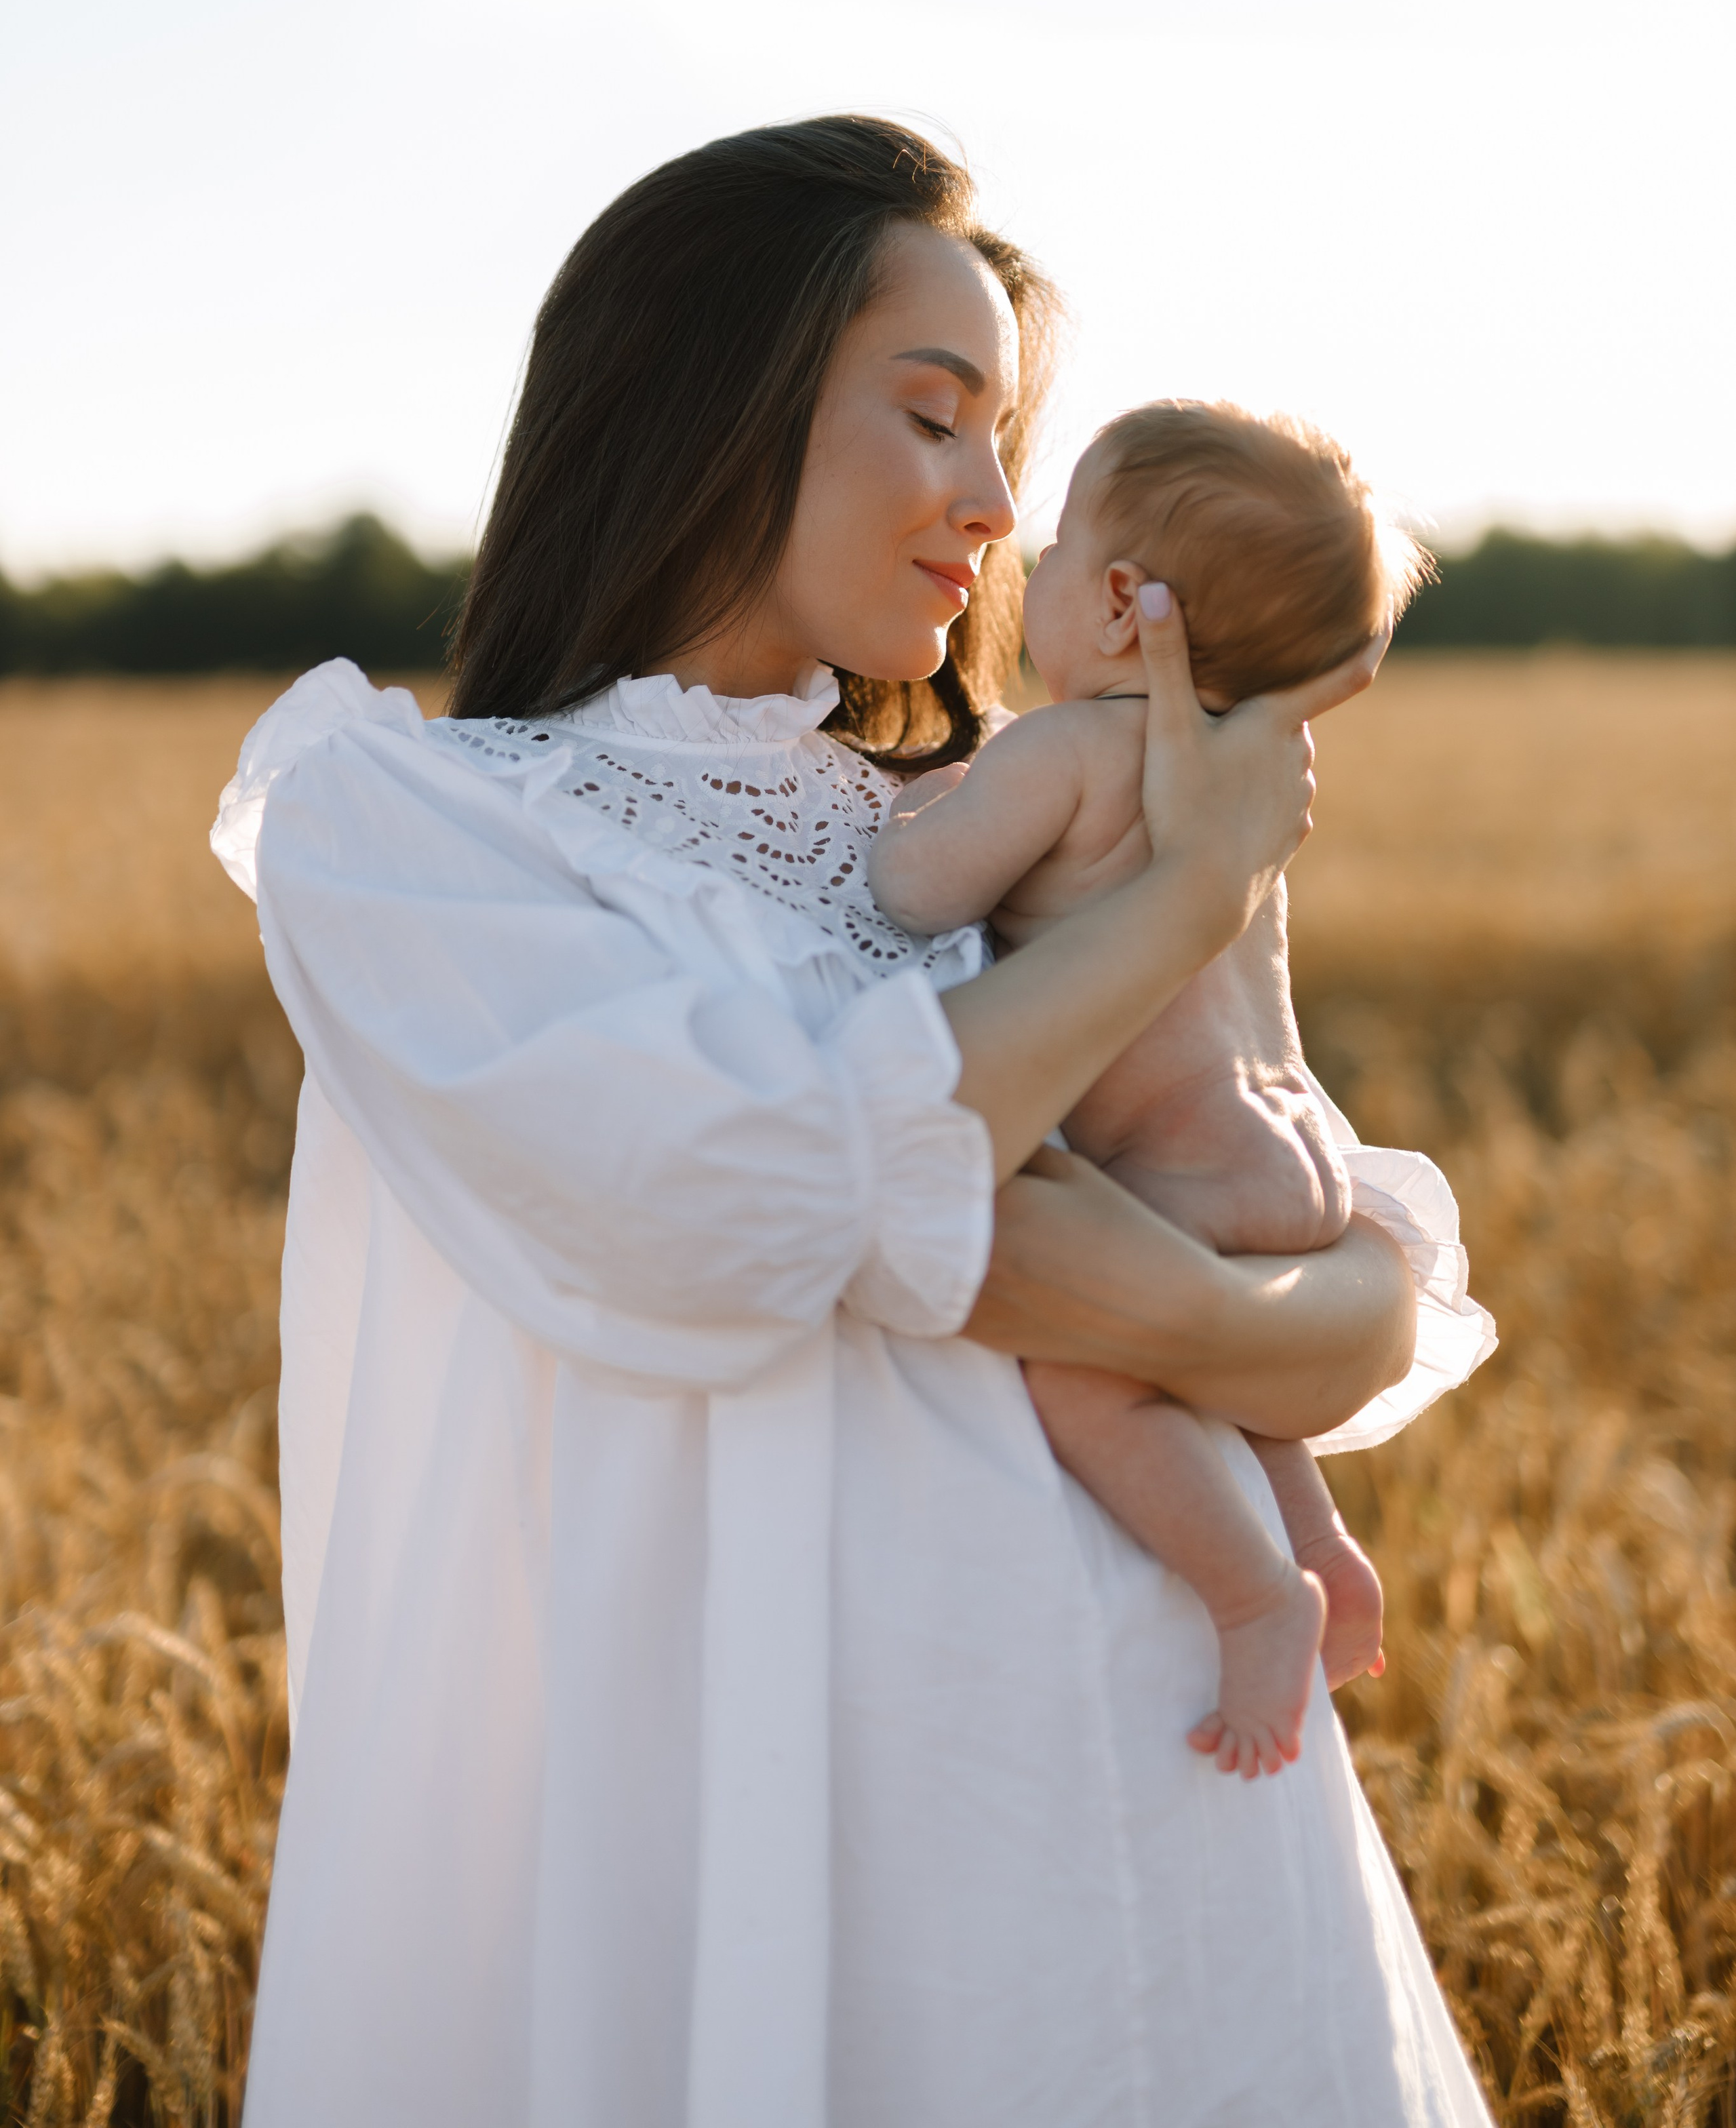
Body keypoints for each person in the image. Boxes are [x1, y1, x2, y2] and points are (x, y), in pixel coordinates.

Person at [214, 117, 1497, 2126]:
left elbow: (1344, 1289)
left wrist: (1166, 1288)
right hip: (756, 1866)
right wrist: (1178, 905)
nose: (998, 502)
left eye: (1011, 444)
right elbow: (756, 1202)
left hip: (1167, 1808)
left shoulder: (996, 821)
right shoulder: (418, 830)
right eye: (936, 417)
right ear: (716, 397)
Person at [869, 399, 1481, 1783]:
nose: (1025, 553)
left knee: (1092, 1379)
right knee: (1213, 1375)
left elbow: (913, 891)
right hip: (1293, 1158)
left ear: (1117, 599)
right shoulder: (1228, 778)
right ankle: (1318, 1542)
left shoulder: (1063, 750)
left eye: (1062, 536)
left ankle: (1256, 1594)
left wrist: (911, 806)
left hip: (1180, 1166)